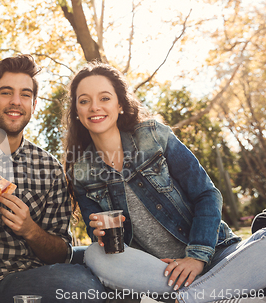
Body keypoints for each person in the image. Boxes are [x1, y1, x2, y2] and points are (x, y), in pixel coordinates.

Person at [64, 61, 266, 303]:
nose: (94, 107)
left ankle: (189, 299)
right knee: (95, 254)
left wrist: (196, 257)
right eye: (84, 100)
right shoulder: (81, 172)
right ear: (77, 111)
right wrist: (99, 233)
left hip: (216, 255)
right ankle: (221, 295)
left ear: (119, 104)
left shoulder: (153, 136)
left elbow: (207, 194)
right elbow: (99, 236)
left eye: (104, 98)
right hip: (160, 273)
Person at [0, 54, 106, 303]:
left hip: (40, 273)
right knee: (78, 284)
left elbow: (62, 252)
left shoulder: (49, 168)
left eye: (25, 94)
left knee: (103, 262)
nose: (16, 102)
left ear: (34, 105)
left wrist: (30, 230)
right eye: (6, 93)